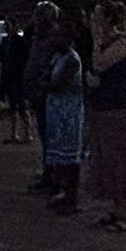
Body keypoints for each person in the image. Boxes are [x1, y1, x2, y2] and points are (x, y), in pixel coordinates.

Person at [83, 1, 126, 232]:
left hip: (117, 108)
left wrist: (96, 40)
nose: (92, 20)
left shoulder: (121, 42)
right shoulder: (102, 42)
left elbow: (101, 63)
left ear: (107, 19)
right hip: (101, 106)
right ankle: (116, 209)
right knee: (105, 159)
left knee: (119, 159)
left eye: (97, 16)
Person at [43, 21, 85, 214]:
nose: (53, 41)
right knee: (59, 157)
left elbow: (56, 84)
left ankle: (72, 198)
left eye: (57, 37)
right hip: (58, 113)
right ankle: (63, 193)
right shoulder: (57, 57)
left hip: (69, 114)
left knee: (70, 159)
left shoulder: (72, 59)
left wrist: (43, 85)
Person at [23, 1, 61, 194]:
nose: (35, 20)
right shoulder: (39, 38)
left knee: (52, 137)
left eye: (39, 16)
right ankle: (48, 174)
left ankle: (54, 178)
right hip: (37, 93)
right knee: (45, 137)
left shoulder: (54, 40)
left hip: (48, 94)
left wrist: (41, 87)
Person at [0, 15, 32, 143]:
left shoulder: (20, 41)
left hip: (19, 77)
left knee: (22, 105)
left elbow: (25, 59)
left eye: (8, 25)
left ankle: (28, 133)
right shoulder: (5, 41)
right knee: (12, 106)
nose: (6, 28)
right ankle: (14, 133)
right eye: (5, 26)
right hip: (8, 76)